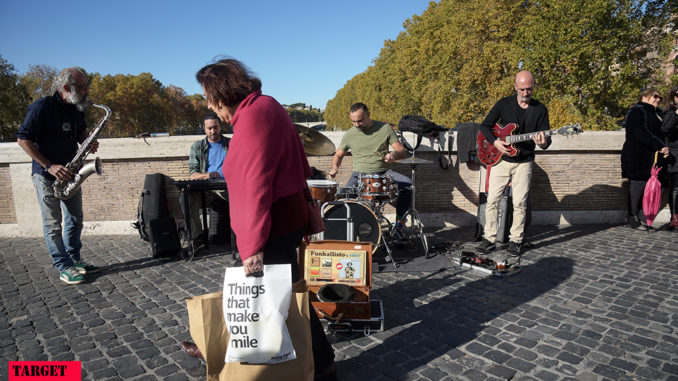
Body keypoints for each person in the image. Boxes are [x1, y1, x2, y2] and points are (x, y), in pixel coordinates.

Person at [181, 58, 337, 381]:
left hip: (271, 227)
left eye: (210, 100)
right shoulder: (268, 105)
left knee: (267, 298)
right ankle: (321, 364)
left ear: (221, 95)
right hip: (284, 219)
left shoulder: (252, 118)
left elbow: (254, 186)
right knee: (289, 295)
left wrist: (251, 246)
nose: (212, 109)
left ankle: (243, 356)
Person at [16, 67, 100, 285]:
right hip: (46, 174)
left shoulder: (77, 106)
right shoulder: (42, 107)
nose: (86, 91)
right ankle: (63, 266)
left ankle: (74, 258)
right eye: (81, 87)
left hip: (70, 172)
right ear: (65, 87)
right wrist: (49, 166)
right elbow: (23, 139)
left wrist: (87, 141)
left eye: (85, 86)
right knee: (53, 224)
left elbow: (79, 132)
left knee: (75, 219)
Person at [477, 70, 551, 256]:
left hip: (524, 161)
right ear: (515, 87)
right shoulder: (504, 104)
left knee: (520, 202)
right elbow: (485, 126)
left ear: (534, 86)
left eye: (529, 89)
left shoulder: (540, 109)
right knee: (492, 199)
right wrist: (495, 142)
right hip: (500, 159)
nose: (526, 93)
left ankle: (516, 240)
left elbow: (545, 140)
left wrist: (543, 143)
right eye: (522, 89)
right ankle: (489, 238)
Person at [328, 103, 412, 238]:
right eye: (353, 121)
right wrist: (335, 168)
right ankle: (350, 231)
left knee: (408, 185)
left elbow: (401, 151)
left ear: (368, 114)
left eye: (360, 121)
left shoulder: (385, 129)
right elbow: (338, 155)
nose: (356, 124)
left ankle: (399, 225)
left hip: (383, 173)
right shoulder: (350, 134)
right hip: (359, 175)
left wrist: (393, 155)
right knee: (344, 198)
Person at [621, 86, 669, 230]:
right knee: (638, 186)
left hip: (653, 158)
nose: (658, 99)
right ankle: (632, 217)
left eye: (659, 97)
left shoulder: (657, 113)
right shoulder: (637, 111)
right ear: (644, 97)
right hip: (638, 156)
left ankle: (643, 217)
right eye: (655, 96)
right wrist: (660, 145)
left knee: (660, 186)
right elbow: (641, 132)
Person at [179, 112, 230, 246]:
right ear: (204, 128)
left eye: (216, 127)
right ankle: (197, 237)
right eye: (209, 128)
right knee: (185, 198)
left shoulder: (231, 144)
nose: (213, 131)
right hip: (207, 190)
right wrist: (208, 175)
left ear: (220, 126)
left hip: (229, 188)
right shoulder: (197, 147)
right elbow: (193, 174)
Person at [661, 85, 678, 230]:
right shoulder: (670, 113)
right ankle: (675, 219)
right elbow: (665, 130)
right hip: (675, 155)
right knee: (676, 188)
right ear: (673, 97)